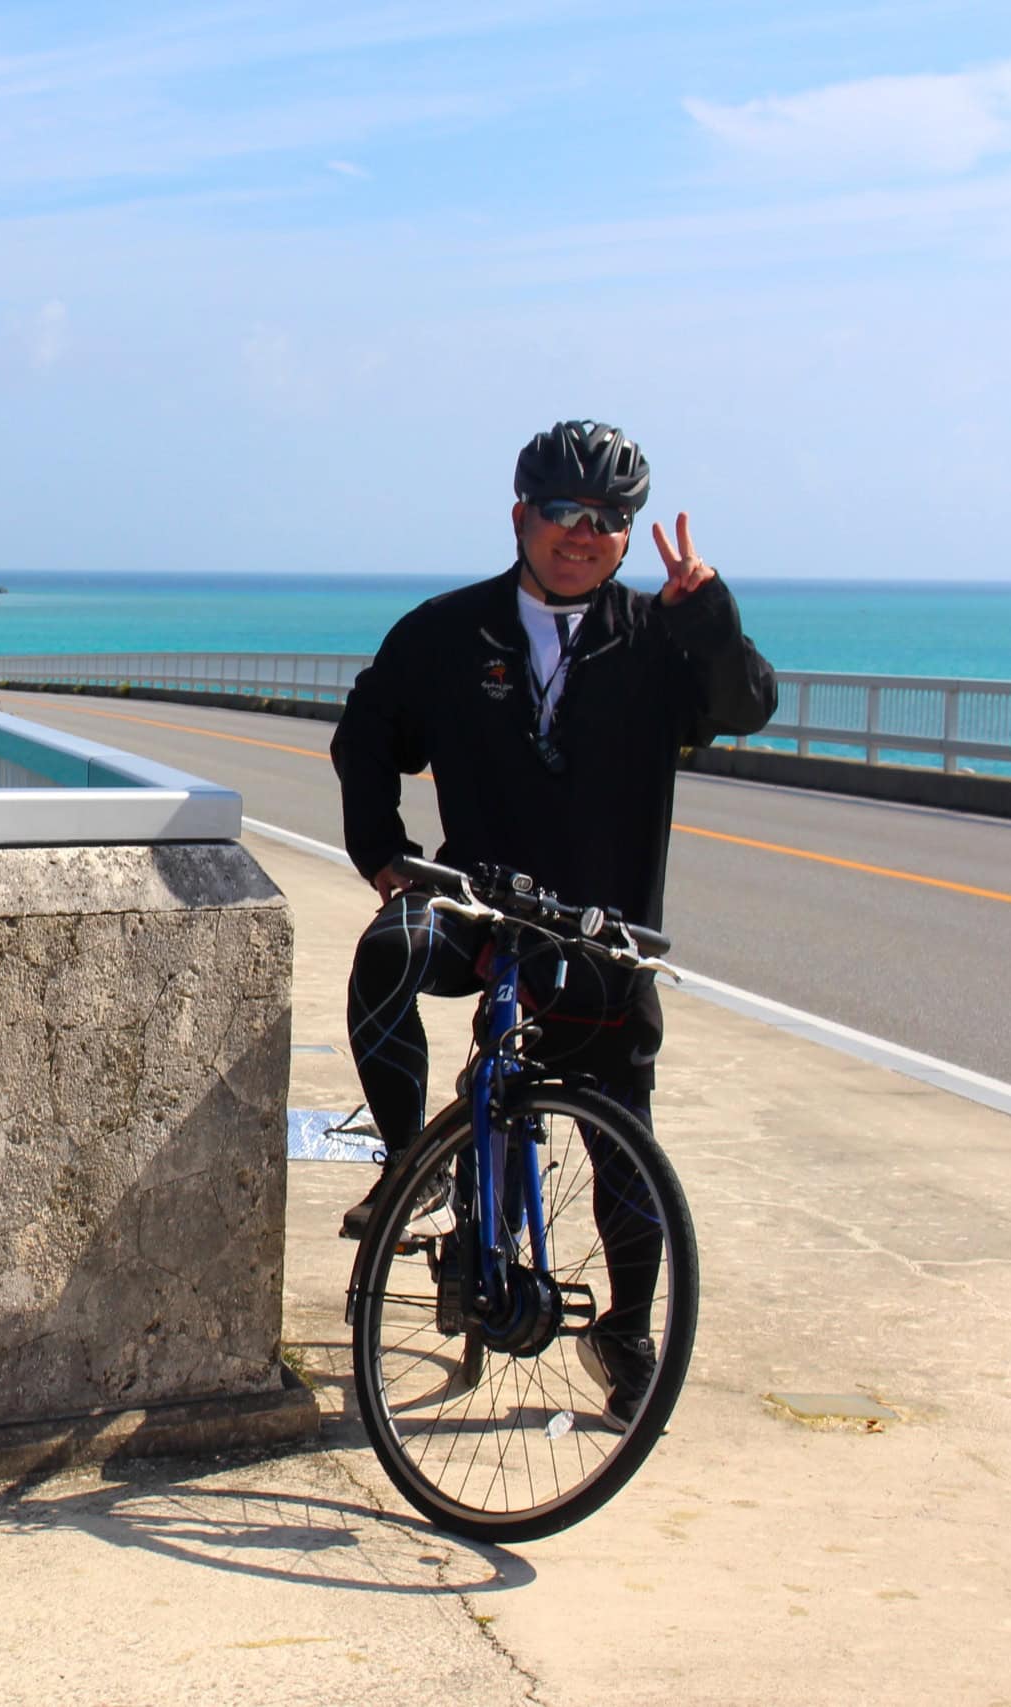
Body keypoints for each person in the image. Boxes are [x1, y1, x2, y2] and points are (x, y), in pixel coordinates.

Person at [328, 419, 778, 1417]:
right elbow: (364, 735)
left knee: (621, 1129)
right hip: (474, 905)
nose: (585, 532)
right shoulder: (445, 632)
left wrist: (708, 615)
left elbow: (745, 707)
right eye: (565, 511)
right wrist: (380, 859)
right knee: (386, 955)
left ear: (628, 536)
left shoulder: (655, 642)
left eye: (610, 518)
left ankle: (621, 1335)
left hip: (600, 934)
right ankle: (414, 1165)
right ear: (522, 514)